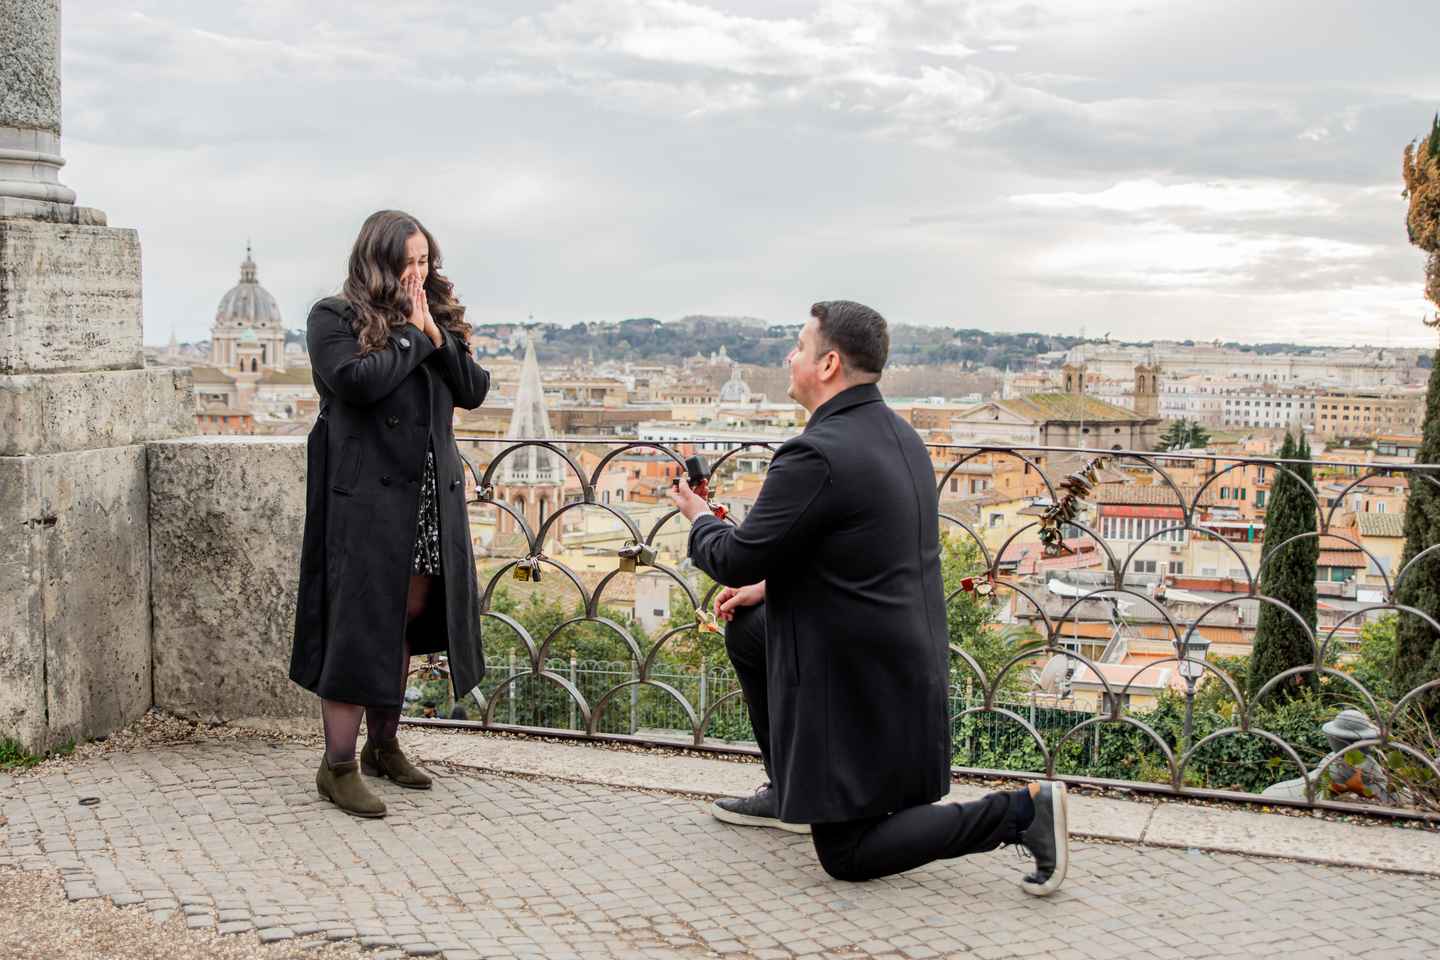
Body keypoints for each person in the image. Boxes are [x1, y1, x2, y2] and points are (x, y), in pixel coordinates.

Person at [669, 301, 1068, 893]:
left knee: (847, 855)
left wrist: (699, 515)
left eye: (799, 347)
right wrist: (770, 587)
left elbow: (733, 555)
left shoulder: (815, 453)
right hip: (902, 659)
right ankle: (790, 788)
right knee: (750, 631)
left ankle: (1021, 813)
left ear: (828, 363)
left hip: (854, 676)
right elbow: (861, 552)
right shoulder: (900, 435)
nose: (788, 356)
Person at [291, 210, 490, 818]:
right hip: (365, 502)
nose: (417, 273)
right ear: (377, 260)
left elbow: (474, 390)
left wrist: (434, 331)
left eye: (425, 261)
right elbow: (356, 382)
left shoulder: (437, 317)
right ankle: (338, 764)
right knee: (358, 623)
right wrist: (408, 332)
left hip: (426, 495)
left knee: (405, 616)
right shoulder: (334, 317)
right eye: (407, 262)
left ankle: (384, 744)